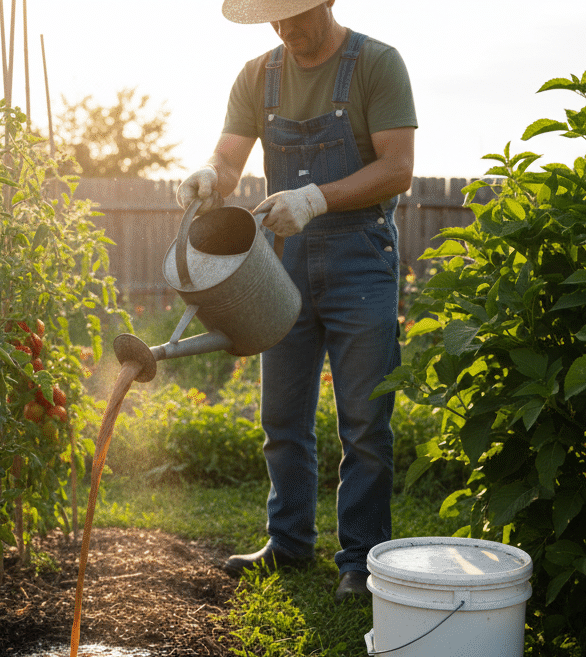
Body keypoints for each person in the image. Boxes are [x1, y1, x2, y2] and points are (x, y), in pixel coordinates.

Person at [178, 0, 416, 602]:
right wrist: (210, 174)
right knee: (282, 417)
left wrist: (316, 199)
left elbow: (397, 168)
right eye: (274, 19)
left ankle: (359, 562)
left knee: (363, 421)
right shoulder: (258, 75)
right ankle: (287, 544)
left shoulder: (377, 64)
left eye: (296, 15)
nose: (286, 30)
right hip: (281, 267)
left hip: (361, 259)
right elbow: (230, 158)